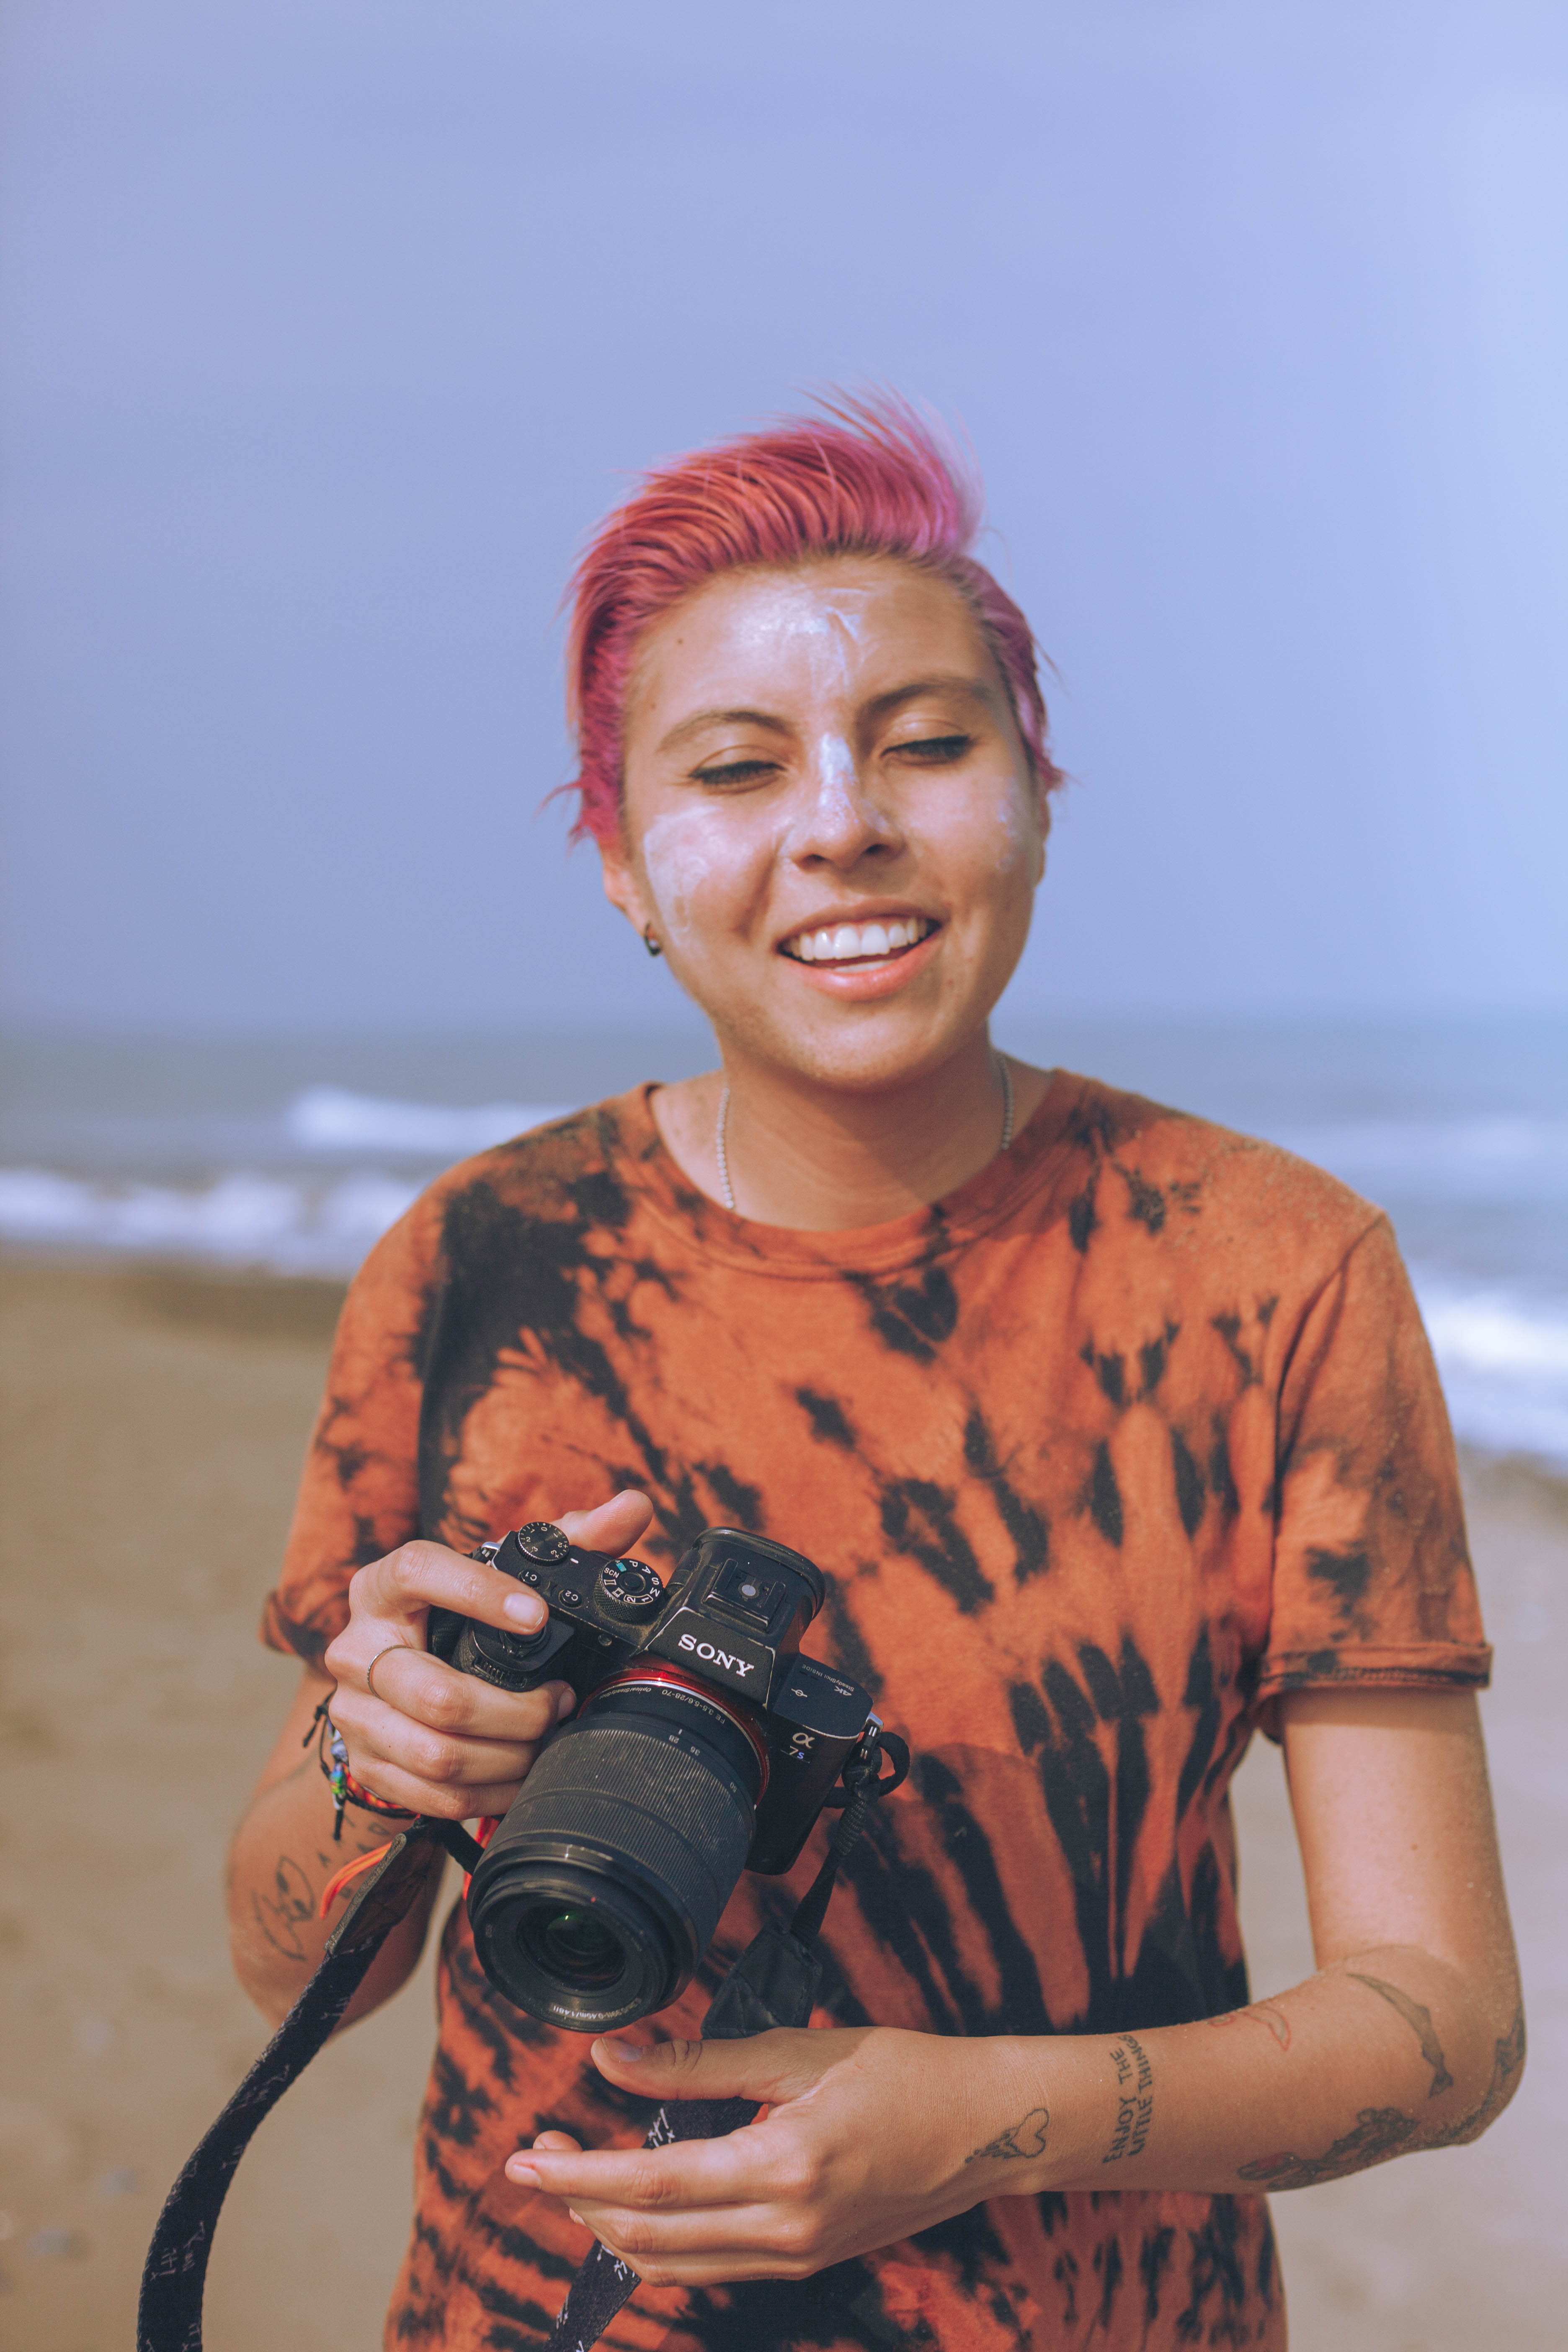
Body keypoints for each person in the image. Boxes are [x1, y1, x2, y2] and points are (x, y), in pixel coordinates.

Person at [227, 396, 1522, 2352]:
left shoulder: (1272, 1273)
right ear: (622, 866)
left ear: (1039, 794)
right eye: (737, 767)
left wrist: (985, 2123)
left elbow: (1445, 2022)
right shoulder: (486, 1261)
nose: (842, 821)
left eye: (926, 742)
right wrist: (374, 1752)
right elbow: (289, 1973)